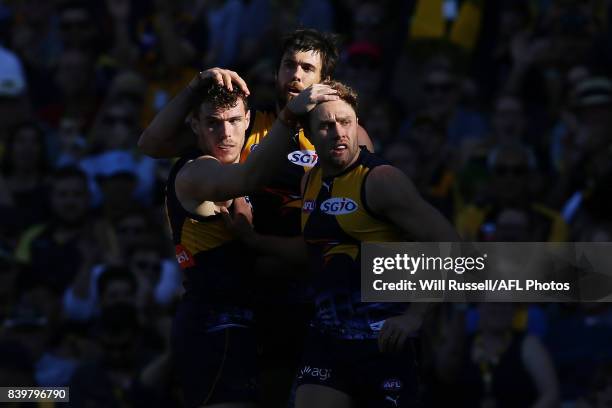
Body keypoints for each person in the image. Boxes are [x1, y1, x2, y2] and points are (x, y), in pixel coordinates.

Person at [138, 28, 374, 406]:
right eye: (288, 65)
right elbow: (151, 144)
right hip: (253, 302)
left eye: (306, 68)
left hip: (315, 296)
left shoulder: (346, 135)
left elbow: (350, 230)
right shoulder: (244, 126)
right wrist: (197, 84)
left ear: (324, 81)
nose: (295, 75)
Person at [227, 80, 460, 407]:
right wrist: (254, 240)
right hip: (328, 339)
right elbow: (315, 250)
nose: (338, 132)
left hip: (381, 342)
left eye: (345, 122)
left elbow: (449, 245)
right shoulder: (311, 178)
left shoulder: (381, 180)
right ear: (309, 132)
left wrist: (415, 316)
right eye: (326, 125)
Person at [157, 69, 338, 406]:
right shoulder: (197, 170)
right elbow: (250, 177)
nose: (225, 133)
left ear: (248, 121)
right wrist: (288, 116)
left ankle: (466, 272)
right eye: (213, 123)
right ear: (194, 125)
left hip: (270, 320)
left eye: (234, 121)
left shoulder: (367, 174)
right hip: (215, 326)